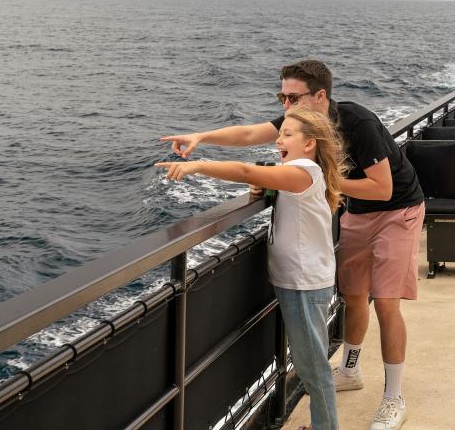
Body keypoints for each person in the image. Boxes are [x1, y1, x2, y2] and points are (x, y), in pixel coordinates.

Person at [160, 60, 425, 430]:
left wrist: (312, 182)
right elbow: (251, 135)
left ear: (320, 96)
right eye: (281, 96)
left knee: (384, 300)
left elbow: (382, 188)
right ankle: (350, 369)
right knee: (353, 295)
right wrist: (201, 138)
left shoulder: (356, 124)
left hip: (398, 210)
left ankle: (393, 396)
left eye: (293, 97)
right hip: (357, 212)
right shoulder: (299, 125)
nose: (286, 106)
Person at [158, 107, 347, 430]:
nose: (279, 141)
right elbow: (265, 185)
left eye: (288, 135)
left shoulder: (304, 171)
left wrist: (196, 167)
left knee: (313, 369)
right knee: (308, 365)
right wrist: (261, 191)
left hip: (304, 284)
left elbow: (247, 172)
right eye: (279, 134)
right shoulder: (300, 171)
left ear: (310, 144)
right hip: (301, 281)